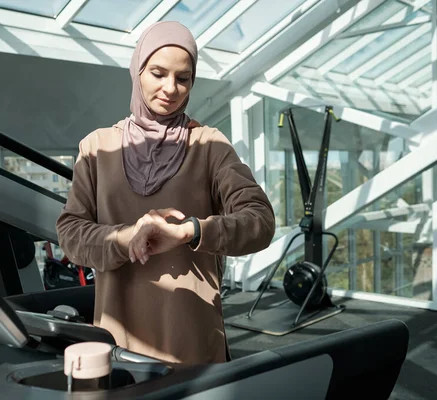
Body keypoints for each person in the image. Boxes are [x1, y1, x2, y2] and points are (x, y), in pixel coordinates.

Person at [56, 21, 275, 365]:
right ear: (138, 70)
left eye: (183, 78)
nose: (170, 88)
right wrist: (128, 238)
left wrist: (191, 231)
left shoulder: (209, 144)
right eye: (158, 73)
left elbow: (259, 221)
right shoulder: (98, 147)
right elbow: (70, 234)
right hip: (119, 340)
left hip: (193, 339)